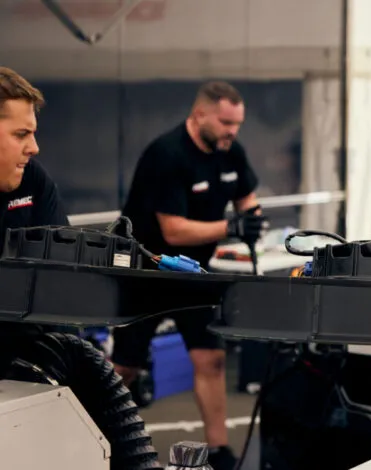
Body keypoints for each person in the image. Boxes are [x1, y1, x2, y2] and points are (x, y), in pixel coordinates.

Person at [0, 67, 162, 468]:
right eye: (21, 135)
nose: (34, 147)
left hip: (30, 357)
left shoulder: (31, 180)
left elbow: (62, 272)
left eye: (33, 133)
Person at [115, 81, 264, 470]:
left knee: (211, 359)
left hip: (194, 274)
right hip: (145, 272)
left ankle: (218, 450)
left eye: (238, 123)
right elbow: (174, 231)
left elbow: (247, 199)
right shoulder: (166, 155)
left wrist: (251, 219)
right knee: (125, 368)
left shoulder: (231, 151)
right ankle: (99, 439)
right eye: (226, 122)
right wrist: (232, 226)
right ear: (200, 115)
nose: (233, 130)